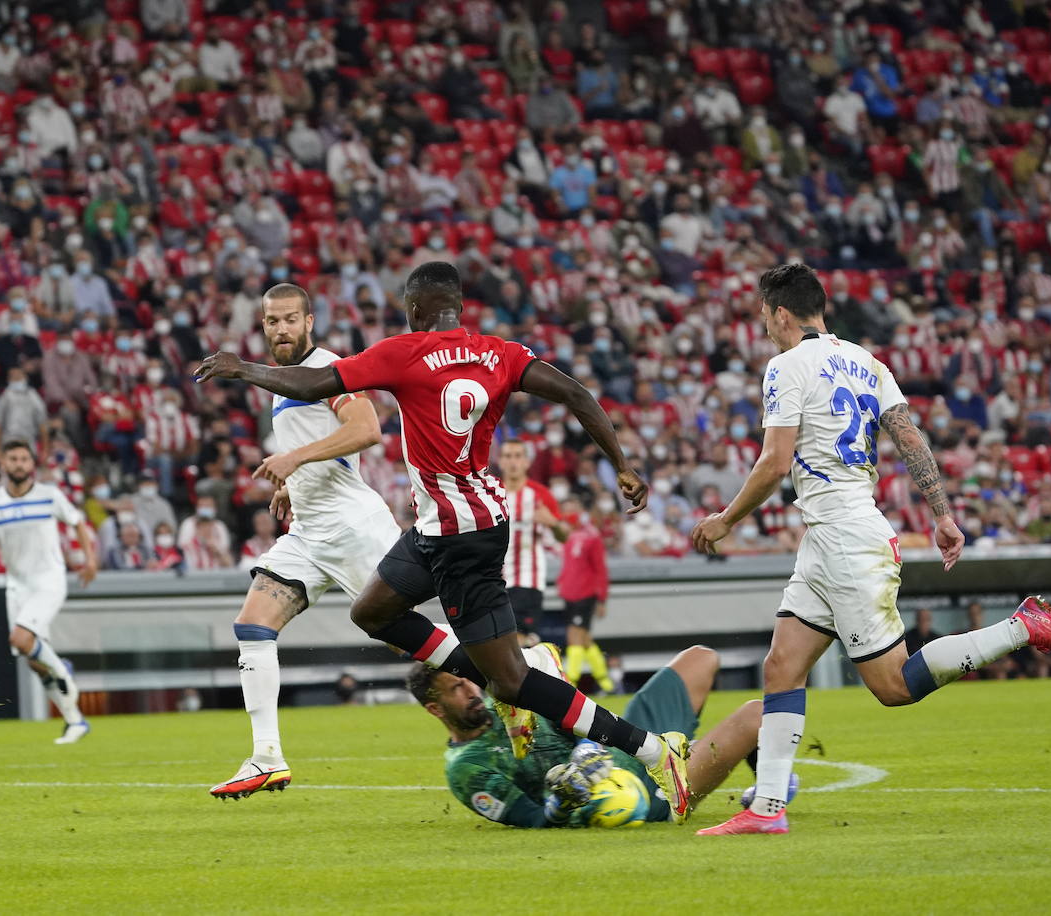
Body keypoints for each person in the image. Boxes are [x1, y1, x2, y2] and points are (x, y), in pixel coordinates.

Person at [196, 261, 692, 820]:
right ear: (459, 306)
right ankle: (523, 673)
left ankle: (651, 748)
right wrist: (621, 464)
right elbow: (577, 395)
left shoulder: (403, 352)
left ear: (413, 310)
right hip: (443, 527)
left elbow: (316, 383)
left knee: (511, 684)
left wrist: (243, 370)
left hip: (464, 538)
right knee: (373, 612)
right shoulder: (500, 353)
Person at [690, 264, 1051, 836]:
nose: (765, 331)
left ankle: (1022, 628)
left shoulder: (785, 366)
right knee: (781, 667)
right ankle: (767, 811)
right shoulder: (867, 362)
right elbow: (907, 434)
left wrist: (726, 519)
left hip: (846, 538)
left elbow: (776, 462)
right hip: (830, 537)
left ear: (781, 313)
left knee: (893, 686)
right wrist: (942, 513)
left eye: (764, 318)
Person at [208, 284, 400, 800]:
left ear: (310, 321)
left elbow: (366, 429)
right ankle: (266, 756)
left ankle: (527, 680)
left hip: (354, 529)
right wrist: (296, 485)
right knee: (252, 624)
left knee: (424, 641)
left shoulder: (327, 369)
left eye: (291, 319)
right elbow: (327, 452)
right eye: (272, 321)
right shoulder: (281, 383)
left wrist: (295, 462)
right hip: (310, 533)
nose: (282, 329)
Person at [413, 644, 767, 827]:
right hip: (639, 791)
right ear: (435, 709)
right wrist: (562, 803)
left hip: (629, 741)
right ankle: (769, 799)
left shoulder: (503, 701)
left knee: (701, 658)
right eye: (456, 688)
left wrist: (586, 744)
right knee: (756, 715)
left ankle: (762, 784)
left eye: (467, 679)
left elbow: (573, 714)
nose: (471, 690)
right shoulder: (466, 769)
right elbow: (533, 820)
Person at [0, 440, 99, 744]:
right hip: (16, 585)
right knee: (33, 659)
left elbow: (77, 522)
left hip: (48, 579)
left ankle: (64, 673)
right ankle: (75, 721)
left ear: (32, 464)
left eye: (24, 459)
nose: (19, 464)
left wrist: (90, 560)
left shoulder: (49, 495)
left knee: (21, 639)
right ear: (3, 464)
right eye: (13, 459)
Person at [496, 438, 568, 645]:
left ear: (527, 462)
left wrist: (552, 523)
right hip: (493, 580)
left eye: (518, 456)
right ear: (500, 461)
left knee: (520, 642)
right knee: (498, 642)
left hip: (527, 579)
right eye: (508, 456)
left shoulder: (540, 494)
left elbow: (564, 537)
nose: (513, 462)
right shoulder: (491, 493)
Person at [557, 495, 612, 693]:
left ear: (580, 511)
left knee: (574, 637)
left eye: (573, 509)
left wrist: (602, 598)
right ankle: (606, 682)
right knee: (586, 639)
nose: (569, 514)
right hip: (570, 594)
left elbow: (601, 570)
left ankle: (570, 682)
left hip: (585, 594)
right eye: (566, 510)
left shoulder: (591, 536)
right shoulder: (566, 535)